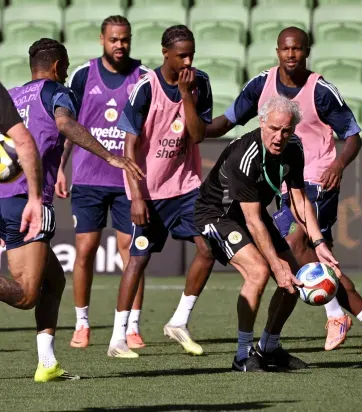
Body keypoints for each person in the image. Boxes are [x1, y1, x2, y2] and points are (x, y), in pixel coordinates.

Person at [201, 26, 362, 354]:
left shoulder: (321, 91)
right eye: (285, 48)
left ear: (307, 51)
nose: (291, 54)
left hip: (317, 181)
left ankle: (356, 321)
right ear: (277, 51)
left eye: (297, 49)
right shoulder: (261, 84)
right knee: (309, 259)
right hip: (286, 182)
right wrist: (193, 129)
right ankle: (356, 321)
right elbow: (227, 121)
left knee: (296, 248)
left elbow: (352, 136)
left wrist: (338, 165)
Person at [0, 38, 143, 381]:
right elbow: (65, 125)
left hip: (4, 196)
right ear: (57, 66)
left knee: (54, 280)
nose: (66, 73)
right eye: (64, 67)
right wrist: (109, 156)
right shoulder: (57, 92)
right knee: (26, 294)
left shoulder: (13, 96)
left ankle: (47, 363)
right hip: (26, 202)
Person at [195, 95, 341, 371]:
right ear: (262, 123)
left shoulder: (293, 147)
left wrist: (319, 242)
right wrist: (276, 264)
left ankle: (269, 349)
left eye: (286, 130)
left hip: (252, 213)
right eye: (273, 129)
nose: (279, 137)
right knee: (259, 271)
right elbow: (252, 222)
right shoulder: (245, 156)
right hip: (218, 214)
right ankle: (242, 354)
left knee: (294, 279)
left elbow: (299, 199)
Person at [107, 25, 215, 359]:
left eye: (191, 54)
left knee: (208, 247)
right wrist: (136, 197)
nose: (188, 61)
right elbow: (129, 144)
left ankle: (179, 321)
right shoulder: (145, 87)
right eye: (182, 55)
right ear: (165, 53)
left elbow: (197, 135)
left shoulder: (200, 83)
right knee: (138, 261)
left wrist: (186, 95)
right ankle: (117, 339)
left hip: (186, 187)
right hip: (149, 191)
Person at [56, 15, 149, 350]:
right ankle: (82, 323)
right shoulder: (83, 75)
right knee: (84, 251)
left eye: (125, 39)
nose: (119, 45)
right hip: (88, 178)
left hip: (128, 181)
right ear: (102, 39)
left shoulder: (144, 77)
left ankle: (132, 327)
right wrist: (61, 168)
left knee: (132, 252)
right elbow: (69, 125)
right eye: (113, 39)